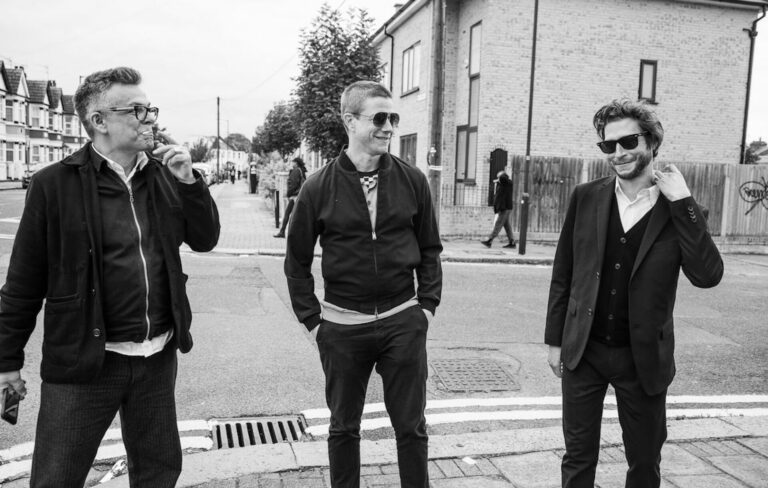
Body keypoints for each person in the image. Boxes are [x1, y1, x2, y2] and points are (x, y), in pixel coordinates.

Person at [0, 67, 220, 487]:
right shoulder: (54, 184)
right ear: (98, 122)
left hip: (156, 357)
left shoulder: (165, 175)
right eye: (136, 110)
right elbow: (24, 280)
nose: (149, 118)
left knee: (157, 473)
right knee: (56, 477)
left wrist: (191, 182)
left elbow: (206, 238)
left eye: (149, 108)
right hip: (85, 362)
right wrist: (6, 360)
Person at [544, 99, 723, 487]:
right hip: (584, 351)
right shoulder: (586, 196)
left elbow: (707, 275)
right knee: (577, 457)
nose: (619, 153)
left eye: (628, 142)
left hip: (642, 358)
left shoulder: (679, 209)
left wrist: (684, 202)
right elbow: (564, 274)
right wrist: (555, 341)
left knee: (643, 462)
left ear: (652, 141)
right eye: (608, 146)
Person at [284, 81, 442, 488]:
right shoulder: (317, 186)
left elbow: (429, 249)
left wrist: (424, 308)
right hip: (341, 326)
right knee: (343, 428)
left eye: (393, 117)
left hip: (402, 320)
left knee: (411, 426)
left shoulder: (413, 181)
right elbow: (296, 262)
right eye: (379, 118)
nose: (389, 126)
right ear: (350, 121)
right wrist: (314, 321)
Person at [480, 169, 516, 248]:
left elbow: (503, 178)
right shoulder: (502, 184)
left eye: (499, 177)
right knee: (507, 226)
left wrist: (500, 177)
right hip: (505, 207)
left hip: (505, 207)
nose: (498, 178)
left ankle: (489, 240)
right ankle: (512, 242)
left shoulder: (507, 182)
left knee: (498, 224)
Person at [274, 156, 307, 238]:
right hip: (299, 195)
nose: (291, 164)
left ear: (296, 163)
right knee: (297, 215)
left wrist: (289, 194)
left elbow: (293, 184)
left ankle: (283, 232)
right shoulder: (301, 171)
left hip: (295, 196)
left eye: (293, 162)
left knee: (288, 214)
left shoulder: (296, 171)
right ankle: (298, 233)